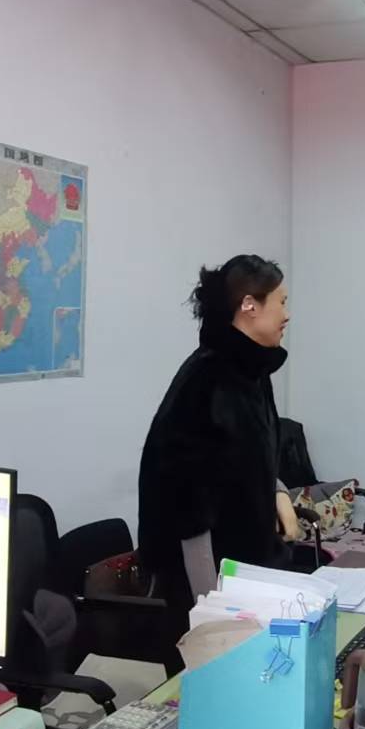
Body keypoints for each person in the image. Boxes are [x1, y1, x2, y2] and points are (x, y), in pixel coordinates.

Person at [138, 255, 303, 616]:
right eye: (281, 302)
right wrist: (208, 609)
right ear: (249, 306)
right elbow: (187, 510)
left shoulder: (251, 373)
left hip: (248, 568)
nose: (287, 314)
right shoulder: (208, 381)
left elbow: (245, 458)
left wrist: (277, 492)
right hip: (210, 583)